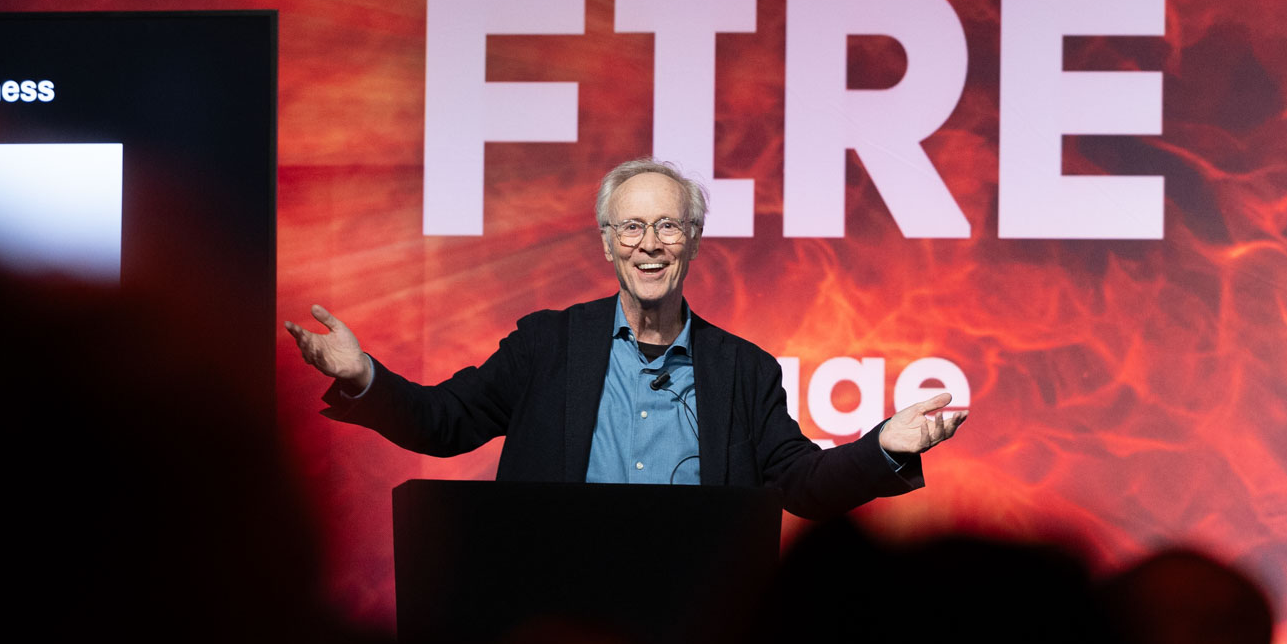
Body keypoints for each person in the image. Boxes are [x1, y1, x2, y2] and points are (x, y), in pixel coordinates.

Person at [287, 157, 966, 518]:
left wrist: (884, 447)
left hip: (692, 633)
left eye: (668, 227)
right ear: (608, 242)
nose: (650, 245)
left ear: (694, 239)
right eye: (631, 228)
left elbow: (803, 485)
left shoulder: (744, 371)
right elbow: (444, 421)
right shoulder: (545, 346)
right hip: (551, 624)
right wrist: (361, 376)